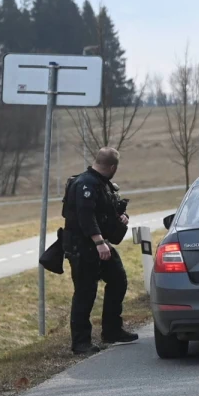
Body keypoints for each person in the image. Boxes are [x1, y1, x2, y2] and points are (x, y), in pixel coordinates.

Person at [63, 147, 137, 355]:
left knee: (118, 279)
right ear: (113, 167)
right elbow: (85, 216)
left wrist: (121, 218)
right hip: (83, 245)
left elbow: (104, 212)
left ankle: (112, 330)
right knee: (85, 292)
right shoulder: (85, 184)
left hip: (99, 243)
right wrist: (99, 242)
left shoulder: (104, 185)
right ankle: (81, 342)